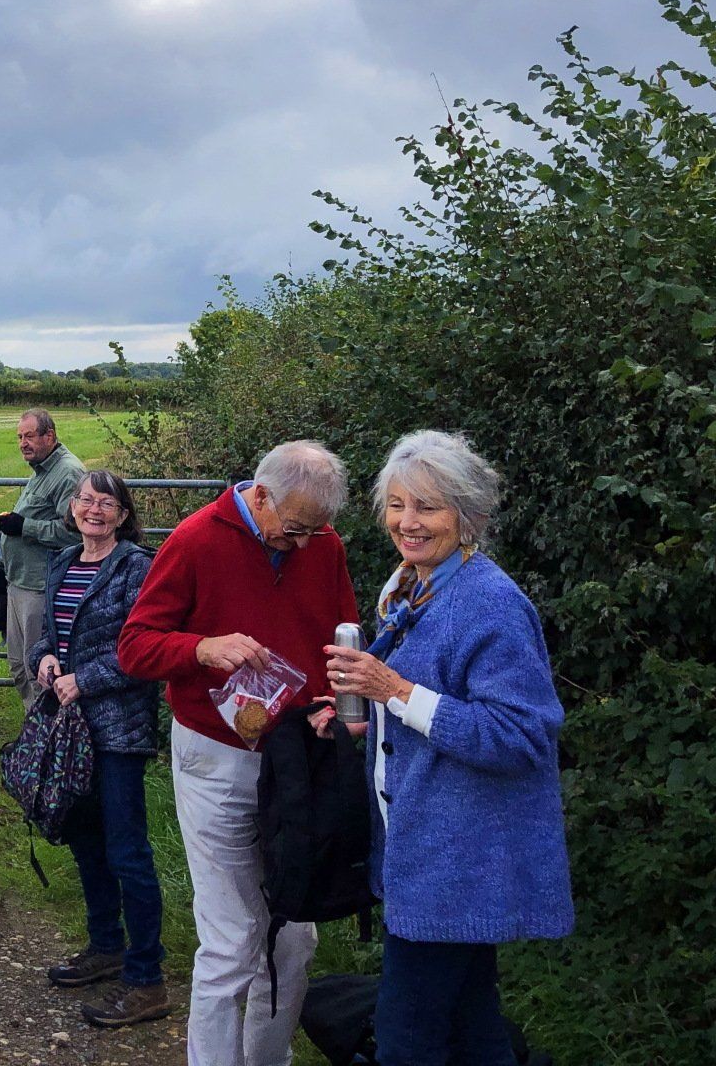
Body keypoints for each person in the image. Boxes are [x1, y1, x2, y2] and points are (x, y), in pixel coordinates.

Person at [322, 431, 572, 1066]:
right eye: (397, 503)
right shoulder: (413, 585)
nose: (407, 522)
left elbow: (521, 737)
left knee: (406, 1036)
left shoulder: (490, 604)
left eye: (427, 507)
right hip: (425, 845)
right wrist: (364, 714)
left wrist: (395, 691)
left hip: (458, 859)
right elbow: (418, 705)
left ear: (469, 516)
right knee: (472, 1020)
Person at [118, 440, 357, 1066]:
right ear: (261, 494)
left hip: (299, 758)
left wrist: (335, 701)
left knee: (295, 935)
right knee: (233, 939)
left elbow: (342, 645)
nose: (304, 543)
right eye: (295, 528)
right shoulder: (197, 539)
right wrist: (201, 649)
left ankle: (266, 1059)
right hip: (215, 756)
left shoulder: (324, 546)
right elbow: (135, 647)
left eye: (316, 529)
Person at [25, 470, 169, 1029]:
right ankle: (105, 944)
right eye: (86, 500)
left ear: (123, 514)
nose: (93, 510)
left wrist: (86, 679)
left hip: (118, 728)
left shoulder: (139, 569)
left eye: (106, 503)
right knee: (85, 839)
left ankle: (146, 977)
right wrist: (44, 659)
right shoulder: (61, 562)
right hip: (71, 730)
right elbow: (50, 633)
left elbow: (143, 648)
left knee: (128, 850)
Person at [0, 408, 84, 706]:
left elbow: (76, 532)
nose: (23, 443)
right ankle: (34, 737)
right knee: (20, 666)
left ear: (50, 435)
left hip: (40, 585)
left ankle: (47, 740)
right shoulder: (42, 469)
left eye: (30, 436)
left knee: (40, 671)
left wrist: (24, 527)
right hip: (19, 582)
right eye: (20, 437)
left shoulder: (68, 472)